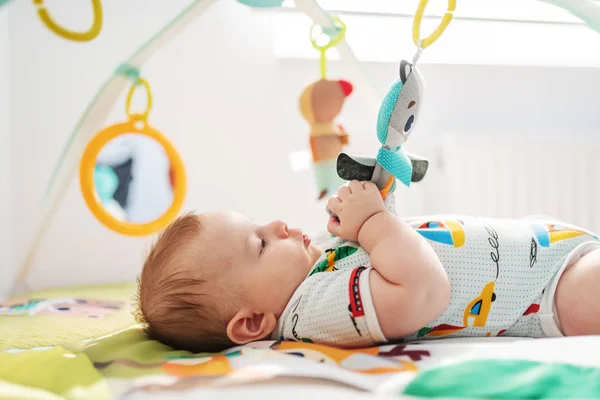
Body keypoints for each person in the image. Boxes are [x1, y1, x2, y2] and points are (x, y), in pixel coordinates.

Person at [134, 180, 600, 352]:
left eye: (259, 223)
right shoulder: (315, 312)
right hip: (549, 294)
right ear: (253, 321)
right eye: (259, 244)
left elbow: (393, 236)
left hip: (541, 245)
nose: (276, 224)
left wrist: (377, 196)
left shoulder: (313, 260)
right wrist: (373, 223)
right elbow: (422, 291)